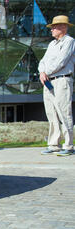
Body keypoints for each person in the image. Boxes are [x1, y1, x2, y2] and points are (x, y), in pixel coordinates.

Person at [39, 16, 74, 156]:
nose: (52, 29)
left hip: (62, 80)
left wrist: (46, 71)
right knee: (51, 113)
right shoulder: (52, 44)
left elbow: (62, 61)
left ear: (63, 27)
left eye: (55, 27)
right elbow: (43, 61)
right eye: (52, 27)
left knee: (64, 112)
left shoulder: (69, 41)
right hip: (48, 81)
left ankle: (69, 145)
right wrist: (42, 72)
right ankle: (54, 144)